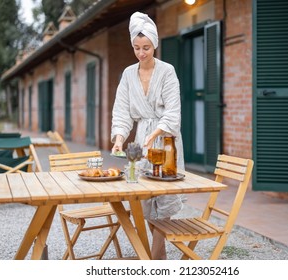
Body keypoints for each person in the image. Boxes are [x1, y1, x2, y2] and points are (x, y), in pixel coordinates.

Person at [111, 11, 185, 260]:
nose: (141, 53)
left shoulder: (167, 72)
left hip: (165, 140)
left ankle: (154, 260)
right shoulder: (128, 74)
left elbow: (173, 113)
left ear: (155, 44)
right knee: (142, 198)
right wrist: (120, 137)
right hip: (141, 139)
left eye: (146, 47)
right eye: (136, 48)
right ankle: (155, 259)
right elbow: (122, 111)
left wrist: (154, 135)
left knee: (163, 201)